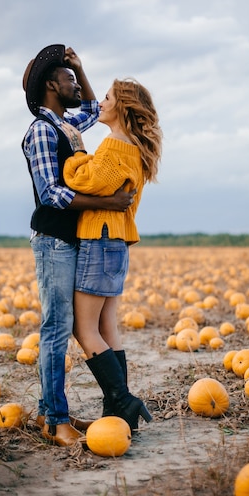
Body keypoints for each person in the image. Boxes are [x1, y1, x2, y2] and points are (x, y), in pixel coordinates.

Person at [21, 45, 134, 447]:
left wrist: (80, 67)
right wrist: (107, 202)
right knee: (56, 327)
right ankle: (55, 420)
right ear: (51, 85)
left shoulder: (68, 126)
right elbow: (51, 192)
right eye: (67, 77)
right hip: (53, 240)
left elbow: (91, 107)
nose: (76, 84)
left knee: (63, 327)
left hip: (72, 239)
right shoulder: (41, 130)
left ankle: (48, 410)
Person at [63, 78, 163, 431]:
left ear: (121, 107)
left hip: (99, 240)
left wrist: (76, 153)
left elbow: (83, 180)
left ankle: (122, 399)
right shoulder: (133, 148)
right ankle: (118, 411)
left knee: (83, 326)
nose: (100, 103)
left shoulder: (114, 146)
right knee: (107, 325)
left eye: (106, 98)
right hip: (116, 245)